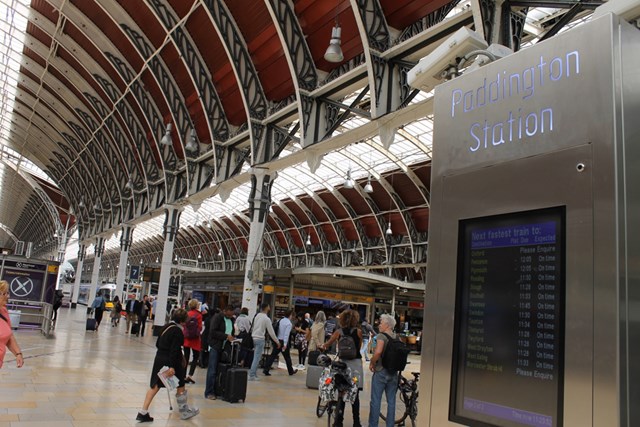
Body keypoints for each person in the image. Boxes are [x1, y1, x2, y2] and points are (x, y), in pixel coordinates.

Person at [135, 308, 199, 422]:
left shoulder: (166, 327)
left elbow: (158, 343)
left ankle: (143, 411)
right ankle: (184, 411)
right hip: (171, 361)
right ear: (183, 321)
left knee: (155, 385)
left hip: (159, 358)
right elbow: (174, 350)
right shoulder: (177, 331)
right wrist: (172, 366)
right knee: (180, 384)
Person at [321, 309, 364, 427]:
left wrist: (323, 347)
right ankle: (356, 422)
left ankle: (339, 421)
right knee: (355, 394)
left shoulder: (338, 332)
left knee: (342, 391)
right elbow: (359, 348)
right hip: (355, 365)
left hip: (343, 365)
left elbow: (327, 344)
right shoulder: (359, 332)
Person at [368, 314, 399, 427]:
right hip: (393, 373)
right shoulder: (396, 337)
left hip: (381, 371)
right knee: (391, 402)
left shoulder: (382, 336)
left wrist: (372, 362)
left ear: (387, 325)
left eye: (381, 323)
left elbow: (378, 352)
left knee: (376, 400)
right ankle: (390, 425)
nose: (379, 325)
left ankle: (373, 425)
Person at [204, 305, 235, 400]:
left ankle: (219, 390)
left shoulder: (231, 320)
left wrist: (232, 337)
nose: (230, 317)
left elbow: (231, 331)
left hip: (225, 347)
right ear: (225, 311)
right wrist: (226, 336)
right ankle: (209, 392)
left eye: (231, 315)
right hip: (215, 346)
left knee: (221, 370)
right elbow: (212, 332)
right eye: (229, 315)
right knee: (212, 370)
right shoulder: (217, 318)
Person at [248, 303, 279, 381]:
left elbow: (253, 327)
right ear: (266, 308)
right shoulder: (266, 319)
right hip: (260, 338)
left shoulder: (257, 316)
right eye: (269, 306)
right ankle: (252, 375)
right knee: (257, 357)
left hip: (254, 337)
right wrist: (277, 341)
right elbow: (271, 332)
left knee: (255, 356)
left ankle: (253, 374)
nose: (269, 307)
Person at [263, 309, 297, 377]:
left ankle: (266, 369)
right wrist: (285, 344)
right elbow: (286, 334)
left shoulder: (280, 320)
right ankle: (290, 371)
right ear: (290, 315)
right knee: (287, 357)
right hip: (283, 341)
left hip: (277, 341)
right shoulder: (289, 323)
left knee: (272, 356)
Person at [0, 280, 23, 369]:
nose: (8, 296)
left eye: (8, 293)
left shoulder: (3, 311)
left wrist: (18, 353)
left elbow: (9, 336)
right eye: (4, 293)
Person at [183, 299, 202, 384]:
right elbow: (200, 327)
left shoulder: (187, 314)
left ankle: (183, 375)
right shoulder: (199, 315)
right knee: (195, 357)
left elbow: (183, 325)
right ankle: (190, 375)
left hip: (186, 338)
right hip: (195, 339)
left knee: (186, 357)